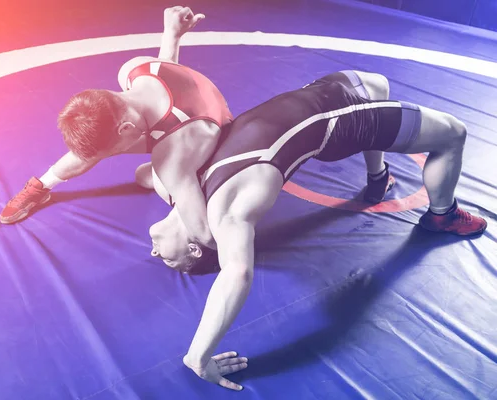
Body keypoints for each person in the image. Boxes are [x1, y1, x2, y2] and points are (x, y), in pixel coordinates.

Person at [147, 70, 488, 390]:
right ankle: (443, 214)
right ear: (194, 247)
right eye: (167, 260)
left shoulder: (175, 188)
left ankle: (378, 176)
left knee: (379, 84)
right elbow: (237, 274)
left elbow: (146, 169)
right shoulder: (226, 214)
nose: (153, 252)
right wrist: (199, 356)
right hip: (340, 123)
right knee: (453, 133)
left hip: (316, 94)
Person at [0, 6, 231, 248]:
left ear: (126, 128)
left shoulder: (173, 156)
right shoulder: (137, 69)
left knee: (152, 178)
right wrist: (171, 35)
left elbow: (206, 236)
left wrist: (181, 228)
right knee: (109, 150)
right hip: (181, 119)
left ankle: (203, 181)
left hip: (210, 146)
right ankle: (42, 187)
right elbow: (168, 70)